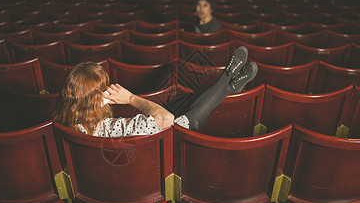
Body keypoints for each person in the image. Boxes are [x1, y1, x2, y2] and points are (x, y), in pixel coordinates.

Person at [53, 46, 257, 137]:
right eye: (104, 89)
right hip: (159, 154)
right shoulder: (107, 128)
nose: (109, 90)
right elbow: (165, 119)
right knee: (187, 119)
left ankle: (230, 85)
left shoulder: (62, 123)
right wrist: (130, 98)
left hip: (132, 162)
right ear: (94, 99)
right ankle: (227, 81)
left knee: (186, 102)